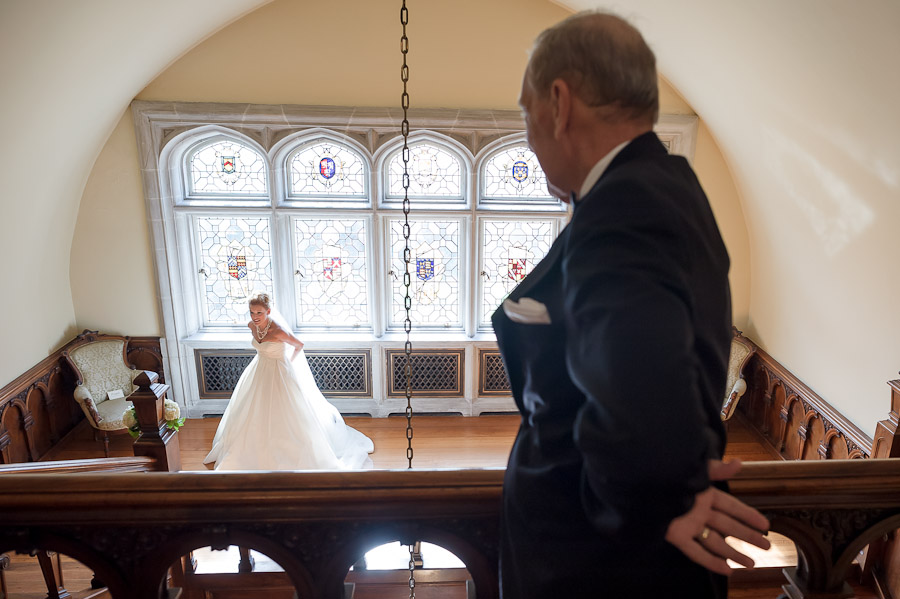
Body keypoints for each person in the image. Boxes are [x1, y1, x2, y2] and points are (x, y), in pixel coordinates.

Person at [491, 11, 770, 598]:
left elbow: (637, 382)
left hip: (598, 566)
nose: (528, 129)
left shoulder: (625, 210)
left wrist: (660, 501)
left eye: (526, 111)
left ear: (559, 103)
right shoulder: (663, 183)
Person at [204, 292, 374, 470]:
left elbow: (299, 345)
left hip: (280, 371)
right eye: (252, 312)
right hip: (259, 370)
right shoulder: (251, 326)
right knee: (253, 409)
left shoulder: (277, 330)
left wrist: (288, 363)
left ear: (268, 311)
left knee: (287, 411)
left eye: (259, 313)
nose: (255, 317)